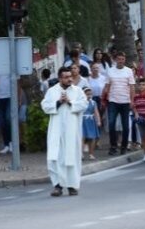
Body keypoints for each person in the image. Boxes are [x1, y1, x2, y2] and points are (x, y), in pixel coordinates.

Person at [41, 67, 88, 197]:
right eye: (66, 77)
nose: (69, 79)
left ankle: (72, 186)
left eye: (70, 77)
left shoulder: (77, 91)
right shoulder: (52, 91)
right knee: (55, 157)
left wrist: (70, 102)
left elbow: (84, 104)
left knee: (72, 156)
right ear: (60, 78)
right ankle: (58, 186)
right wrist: (58, 102)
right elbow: (45, 106)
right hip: (56, 130)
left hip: (72, 130)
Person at [102, 52, 136, 155]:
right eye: (119, 59)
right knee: (111, 125)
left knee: (126, 126)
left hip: (125, 101)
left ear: (124, 60)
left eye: (122, 59)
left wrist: (132, 100)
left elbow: (132, 87)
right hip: (113, 101)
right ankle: (113, 146)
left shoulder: (129, 71)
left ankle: (124, 146)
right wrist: (103, 97)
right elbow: (107, 85)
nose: (120, 61)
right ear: (115, 60)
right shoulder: (110, 71)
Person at [81, 87, 101, 160]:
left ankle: (91, 154)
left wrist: (98, 121)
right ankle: (81, 154)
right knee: (82, 137)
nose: (89, 96)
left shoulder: (93, 102)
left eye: (90, 94)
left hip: (91, 121)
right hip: (82, 121)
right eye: (87, 94)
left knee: (92, 138)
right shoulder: (80, 102)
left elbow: (96, 112)